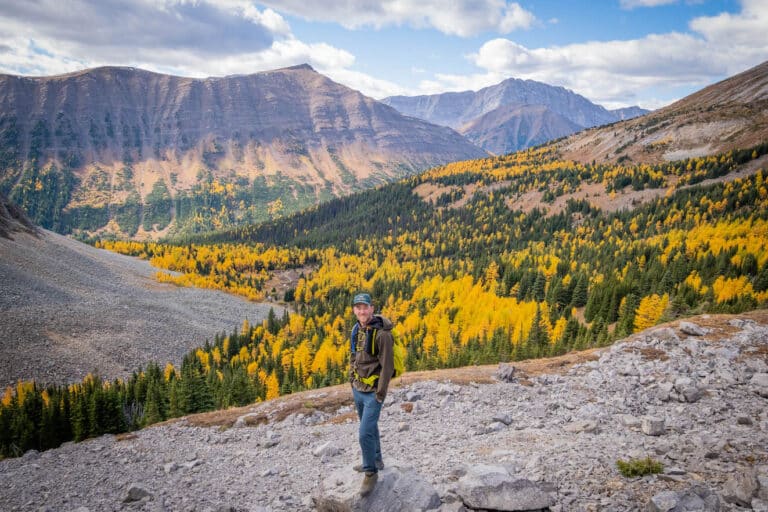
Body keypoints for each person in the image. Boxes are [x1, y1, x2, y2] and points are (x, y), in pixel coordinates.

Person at [349, 292, 395, 497]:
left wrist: (380, 394)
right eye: (358, 307)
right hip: (358, 389)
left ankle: (370, 472)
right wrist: (352, 378)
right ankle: (376, 459)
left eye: (364, 307)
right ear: (354, 310)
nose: (361, 311)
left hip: (373, 393)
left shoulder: (382, 334)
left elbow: (387, 366)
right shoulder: (356, 329)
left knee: (364, 433)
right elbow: (353, 355)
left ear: (371, 308)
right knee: (369, 427)